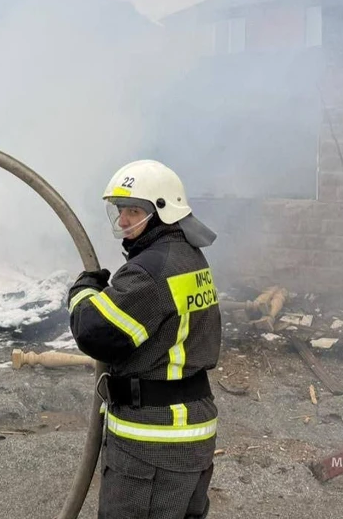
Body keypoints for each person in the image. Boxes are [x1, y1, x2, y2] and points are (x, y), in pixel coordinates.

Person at [68, 160, 221, 519]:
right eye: (120, 210)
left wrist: (83, 290)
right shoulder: (189, 258)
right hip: (189, 430)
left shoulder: (151, 271)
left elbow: (94, 332)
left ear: (163, 212)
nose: (123, 221)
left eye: (133, 211)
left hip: (152, 443)